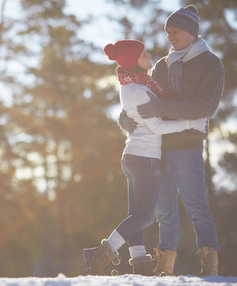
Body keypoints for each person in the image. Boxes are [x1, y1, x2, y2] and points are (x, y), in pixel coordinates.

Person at [82, 39, 207, 276]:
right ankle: (100, 254)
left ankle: (139, 264)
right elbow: (157, 126)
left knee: (136, 216)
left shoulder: (135, 86)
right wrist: (191, 123)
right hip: (144, 159)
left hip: (134, 157)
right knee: (145, 216)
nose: (149, 57)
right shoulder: (140, 90)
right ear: (133, 61)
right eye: (144, 55)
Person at [119, 5, 224, 276]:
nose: (169, 37)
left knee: (195, 206)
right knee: (164, 211)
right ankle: (165, 267)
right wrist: (124, 119)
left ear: (190, 32)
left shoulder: (211, 63)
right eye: (167, 32)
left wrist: (162, 110)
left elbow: (205, 106)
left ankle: (209, 264)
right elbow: (143, 98)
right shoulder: (162, 67)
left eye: (174, 31)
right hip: (160, 148)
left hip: (188, 147)